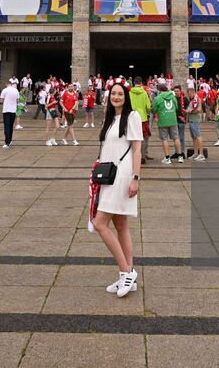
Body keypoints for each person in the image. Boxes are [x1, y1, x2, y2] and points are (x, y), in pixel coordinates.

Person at [91, 82, 143, 298]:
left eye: (121, 94)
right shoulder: (110, 118)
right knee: (120, 224)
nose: (117, 97)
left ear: (126, 97)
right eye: (114, 93)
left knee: (99, 223)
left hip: (122, 177)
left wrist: (136, 178)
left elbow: (137, 148)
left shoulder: (132, 117)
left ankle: (126, 271)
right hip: (108, 176)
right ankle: (126, 277)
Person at [153, 81, 182, 164]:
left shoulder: (158, 98)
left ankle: (167, 158)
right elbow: (176, 107)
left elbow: (154, 109)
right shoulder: (172, 97)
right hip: (173, 120)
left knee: (164, 139)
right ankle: (180, 156)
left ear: (159, 90)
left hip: (163, 121)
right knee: (176, 138)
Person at [0, 78, 20, 148]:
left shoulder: (4, 90)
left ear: (6, 84)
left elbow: (1, 101)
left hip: (6, 110)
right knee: (11, 127)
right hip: (13, 111)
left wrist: (6, 100)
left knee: (6, 127)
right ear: (11, 84)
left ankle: (6, 142)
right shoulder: (16, 90)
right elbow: (18, 101)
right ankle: (10, 140)